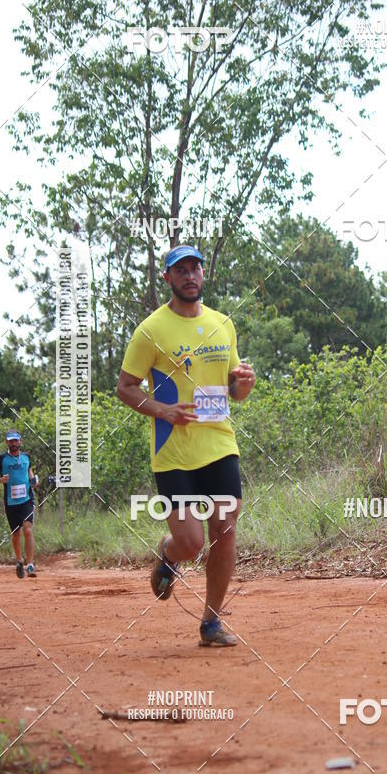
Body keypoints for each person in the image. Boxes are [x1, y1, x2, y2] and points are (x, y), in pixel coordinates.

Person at [117, 244, 255, 647]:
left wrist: (243, 385)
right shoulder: (150, 330)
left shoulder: (222, 323)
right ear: (168, 278)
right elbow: (126, 387)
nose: (190, 275)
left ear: (203, 274)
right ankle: (169, 551)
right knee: (192, 543)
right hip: (173, 454)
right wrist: (163, 411)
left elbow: (232, 388)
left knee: (225, 529)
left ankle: (211, 623)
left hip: (219, 444)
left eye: (195, 268)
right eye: (181, 270)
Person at [0, 430, 39, 578]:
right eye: (11, 441)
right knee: (16, 534)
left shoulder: (26, 457)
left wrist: (33, 480)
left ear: (20, 441)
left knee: (28, 529)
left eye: (16, 440)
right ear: (7, 442)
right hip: (11, 502)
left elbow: (29, 470)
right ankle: (19, 561)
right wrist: (1, 480)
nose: (13, 443)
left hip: (26, 499)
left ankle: (30, 565)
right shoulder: (1, 459)